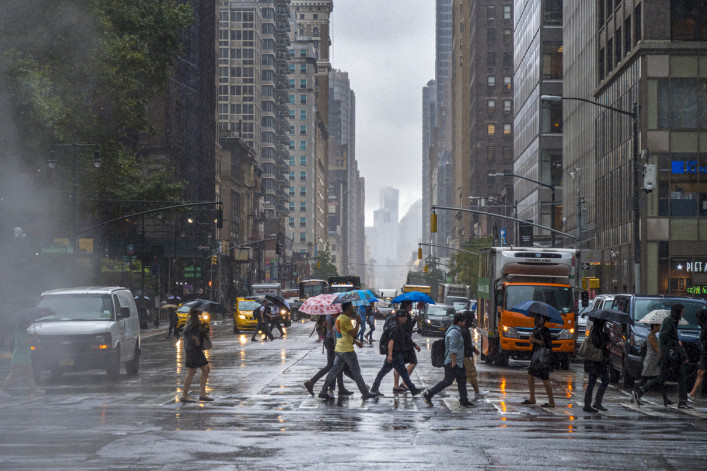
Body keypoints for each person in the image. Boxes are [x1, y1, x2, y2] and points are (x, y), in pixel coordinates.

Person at [634, 303, 691, 408]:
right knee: (662, 378)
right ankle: (641, 390)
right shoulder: (668, 321)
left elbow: (674, 340)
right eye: (682, 311)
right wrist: (670, 348)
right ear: (678, 311)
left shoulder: (674, 322)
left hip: (674, 355)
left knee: (680, 377)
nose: (683, 313)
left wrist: (683, 355)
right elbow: (664, 337)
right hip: (669, 355)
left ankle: (682, 402)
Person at [318, 302, 378, 400]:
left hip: (339, 349)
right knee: (356, 372)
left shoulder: (339, 318)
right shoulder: (345, 319)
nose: (353, 309)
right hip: (347, 350)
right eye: (351, 308)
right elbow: (353, 333)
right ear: (347, 309)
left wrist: (355, 342)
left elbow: (344, 334)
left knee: (334, 371)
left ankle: (323, 390)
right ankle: (365, 393)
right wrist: (358, 323)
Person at [422, 313, 473, 407]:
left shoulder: (454, 330)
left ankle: (464, 400)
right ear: (459, 322)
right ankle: (428, 394)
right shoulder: (455, 332)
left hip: (458, 362)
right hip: (453, 362)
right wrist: (453, 363)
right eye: (463, 321)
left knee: (462, 380)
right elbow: (453, 348)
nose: (465, 322)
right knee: (448, 381)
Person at [369, 311, 424, 396]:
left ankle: (374, 389)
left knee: (383, 372)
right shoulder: (395, 327)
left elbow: (405, 337)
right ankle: (413, 389)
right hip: (395, 354)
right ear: (399, 318)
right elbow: (391, 341)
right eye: (404, 317)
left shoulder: (399, 326)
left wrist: (414, 345)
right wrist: (390, 355)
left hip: (395, 354)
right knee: (404, 373)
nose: (406, 318)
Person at [303, 313, 354, 397]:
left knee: (338, 365)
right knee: (331, 366)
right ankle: (311, 382)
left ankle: (339, 388)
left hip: (331, 341)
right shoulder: (332, 315)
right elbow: (334, 330)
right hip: (332, 342)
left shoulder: (331, 314)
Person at [0, 319, 44, 398]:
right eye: (28, 322)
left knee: (29, 375)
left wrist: (33, 338)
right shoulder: (19, 331)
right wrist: (33, 338)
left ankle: (34, 391)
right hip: (19, 358)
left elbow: (27, 341)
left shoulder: (24, 331)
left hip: (25, 358)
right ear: (23, 322)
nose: (29, 324)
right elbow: (24, 342)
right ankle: (2, 390)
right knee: (13, 374)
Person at [633, 322, 673, 406]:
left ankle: (665, 399)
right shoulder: (651, 336)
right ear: (654, 326)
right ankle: (636, 393)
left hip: (654, 361)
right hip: (651, 361)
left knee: (659, 381)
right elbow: (657, 349)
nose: (659, 328)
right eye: (659, 326)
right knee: (646, 380)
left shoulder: (654, 336)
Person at [522, 315, 556, 407]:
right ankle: (532, 398)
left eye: (536, 319)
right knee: (530, 375)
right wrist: (532, 340)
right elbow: (535, 343)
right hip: (537, 357)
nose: (534, 321)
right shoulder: (537, 330)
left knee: (545, 378)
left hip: (543, 358)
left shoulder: (545, 331)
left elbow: (546, 344)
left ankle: (551, 401)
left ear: (541, 321)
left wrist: (535, 340)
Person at [180, 310, 212, 402]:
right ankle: (184, 396)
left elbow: (196, 331)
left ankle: (203, 394)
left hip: (196, 349)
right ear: (196, 310)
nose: (202, 310)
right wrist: (195, 338)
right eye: (200, 309)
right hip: (192, 348)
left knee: (206, 369)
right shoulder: (193, 320)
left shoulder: (196, 319)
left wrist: (203, 328)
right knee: (191, 371)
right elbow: (185, 331)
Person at [582, 318, 611, 412]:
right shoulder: (595, 330)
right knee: (603, 380)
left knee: (593, 382)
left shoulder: (597, 330)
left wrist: (606, 335)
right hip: (596, 361)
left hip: (596, 361)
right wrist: (606, 339)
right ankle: (593, 403)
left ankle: (592, 403)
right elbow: (598, 343)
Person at [393, 300, 421, 393]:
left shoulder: (399, 314)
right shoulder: (406, 315)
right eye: (410, 305)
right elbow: (407, 330)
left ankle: (396, 385)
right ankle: (404, 383)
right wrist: (415, 321)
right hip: (406, 344)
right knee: (413, 362)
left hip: (399, 343)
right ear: (407, 305)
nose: (411, 306)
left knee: (398, 365)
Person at [461, 310, 489, 400]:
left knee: (454, 374)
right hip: (465, 356)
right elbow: (466, 344)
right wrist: (473, 350)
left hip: (463, 355)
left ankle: (476, 392)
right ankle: (476, 392)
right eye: (472, 318)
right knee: (472, 374)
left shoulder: (463, 329)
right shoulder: (464, 330)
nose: (473, 321)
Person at [688, 309, 707, 402]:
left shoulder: (705, 327)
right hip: (705, 353)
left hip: (705, 353)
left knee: (701, 372)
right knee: (700, 372)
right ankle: (692, 394)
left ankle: (692, 394)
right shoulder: (703, 326)